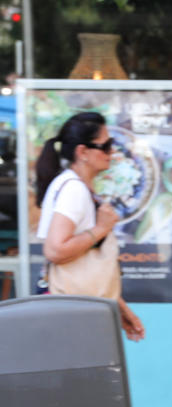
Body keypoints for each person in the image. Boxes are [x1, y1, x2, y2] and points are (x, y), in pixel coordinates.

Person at [35, 111, 144, 341]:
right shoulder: (74, 190)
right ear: (82, 152)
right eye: (105, 146)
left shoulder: (74, 186)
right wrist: (101, 229)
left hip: (79, 309)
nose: (111, 152)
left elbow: (88, 263)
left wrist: (120, 307)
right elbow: (55, 250)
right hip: (75, 315)